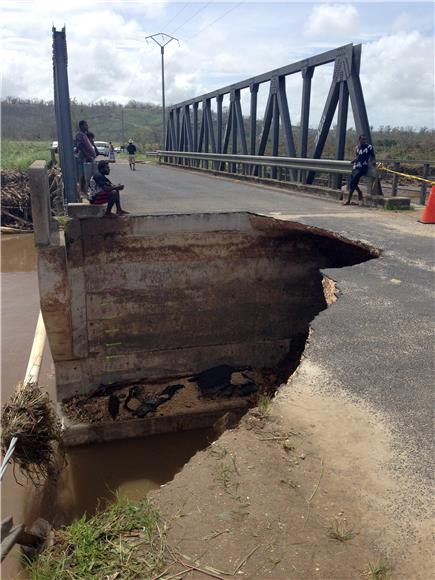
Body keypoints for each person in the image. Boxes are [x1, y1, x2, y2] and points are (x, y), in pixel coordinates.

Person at [344, 134, 376, 206]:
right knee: (353, 183)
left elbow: (373, 156)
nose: (364, 141)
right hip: (356, 166)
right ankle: (349, 200)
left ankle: (359, 193)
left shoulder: (369, 147)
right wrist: (354, 160)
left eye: (365, 139)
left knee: (352, 182)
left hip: (363, 167)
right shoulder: (357, 147)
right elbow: (358, 157)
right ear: (359, 140)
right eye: (363, 139)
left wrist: (373, 162)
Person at [75, 120, 96, 194]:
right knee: (83, 174)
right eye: (85, 125)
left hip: (87, 157)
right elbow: (80, 146)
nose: (87, 126)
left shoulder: (84, 134)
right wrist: (87, 156)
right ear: (81, 126)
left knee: (87, 174)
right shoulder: (79, 135)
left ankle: (85, 189)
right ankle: (82, 190)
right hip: (83, 157)